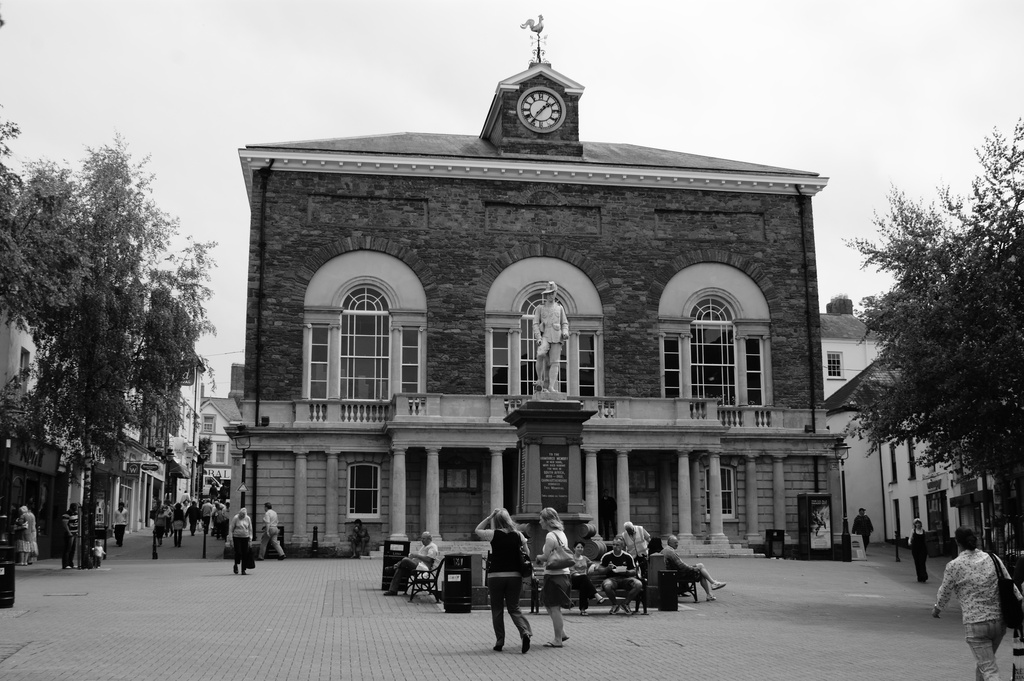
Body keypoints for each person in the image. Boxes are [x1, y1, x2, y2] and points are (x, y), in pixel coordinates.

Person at [933, 526, 1020, 681]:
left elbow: (945, 592)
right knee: (984, 663)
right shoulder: (992, 558)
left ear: (957, 542)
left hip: (975, 623)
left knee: (988, 668)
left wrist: (937, 609)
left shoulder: (954, 565)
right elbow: (1011, 585)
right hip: (998, 622)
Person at [475, 509, 533, 653]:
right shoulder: (518, 535)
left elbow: (477, 530)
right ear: (508, 519)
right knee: (514, 608)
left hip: (496, 576)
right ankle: (524, 632)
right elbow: (527, 554)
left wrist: (489, 517)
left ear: (497, 521)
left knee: (497, 609)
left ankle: (500, 641)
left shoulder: (493, 534)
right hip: (514, 575)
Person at [536, 507, 572, 647]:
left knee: (554, 607)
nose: (539, 522)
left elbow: (546, 557)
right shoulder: (561, 533)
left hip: (554, 575)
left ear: (547, 521)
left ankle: (558, 639)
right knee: (548, 604)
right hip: (563, 574)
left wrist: (538, 557)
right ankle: (561, 633)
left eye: (541, 519)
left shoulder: (550, 536)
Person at [660, 535, 727, 601]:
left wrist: (693, 567)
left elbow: (680, 565)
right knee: (700, 568)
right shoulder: (670, 552)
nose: (677, 544)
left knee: (701, 568)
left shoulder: (666, 550)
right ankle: (712, 585)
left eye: (677, 542)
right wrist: (694, 568)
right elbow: (682, 566)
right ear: (670, 543)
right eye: (675, 543)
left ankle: (710, 590)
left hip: (672, 573)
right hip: (677, 574)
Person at [532, 282, 569, 393]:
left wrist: (565, 332)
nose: (550, 295)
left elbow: (564, 323)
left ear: (555, 293)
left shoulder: (560, 308)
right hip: (545, 336)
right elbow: (535, 323)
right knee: (540, 354)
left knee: (555, 362)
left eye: (552, 293)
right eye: (548, 293)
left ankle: (551, 387)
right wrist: (538, 337)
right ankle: (539, 380)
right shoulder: (540, 308)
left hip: (557, 337)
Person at [385, 531, 439, 596]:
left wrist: (416, 555)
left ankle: (393, 567)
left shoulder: (432, 547)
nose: (422, 540)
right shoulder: (424, 546)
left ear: (429, 539)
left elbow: (429, 559)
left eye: (423, 539)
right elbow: (419, 557)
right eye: (421, 538)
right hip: (418, 566)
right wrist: (412, 557)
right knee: (400, 569)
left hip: (423, 569)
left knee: (405, 560)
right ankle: (393, 590)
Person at [600, 537, 643, 615]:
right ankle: (615, 604)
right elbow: (600, 569)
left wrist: (626, 572)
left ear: (622, 546)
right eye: (613, 545)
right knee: (607, 585)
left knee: (638, 584)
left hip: (625, 578)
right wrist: (607, 568)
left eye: (617, 545)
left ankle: (625, 603)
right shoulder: (607, 556)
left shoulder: (627, 556)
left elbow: (634, 571)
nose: (615, 547)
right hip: (611, 579)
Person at [569, 540, 606, 615]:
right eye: (578, 547)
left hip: (583, 581)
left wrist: (592, 566)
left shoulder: (585, 558)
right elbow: (572, 572)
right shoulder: (571, 558)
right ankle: (596, 595)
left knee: (584, 586)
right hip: (574, 580)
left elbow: (593, 564)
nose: (580, 549)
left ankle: (583, 610)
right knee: (584, 579)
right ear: (574, 548)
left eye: (582, 547)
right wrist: (582, 576)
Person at [229, 507, 254, 575]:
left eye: (243, 515)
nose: (242, 516)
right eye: (241, 514)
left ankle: (243, 569)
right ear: (239, 513)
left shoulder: (247, 518)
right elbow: (231, 528)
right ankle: (236, 564)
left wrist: (250, 539)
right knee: (238, 552)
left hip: (245, 537)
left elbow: (250, 529)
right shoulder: (236, 518)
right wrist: (230, 539)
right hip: (237, 537)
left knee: (245, 553)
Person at [908, 518, 928, 583]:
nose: (918, 524)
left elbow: (925, 540)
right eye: (916, 523)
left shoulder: (923, 531)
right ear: (915, 524)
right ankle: (919, 576)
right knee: (917, 562)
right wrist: (909, 542)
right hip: (915, 548)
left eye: (919, 523)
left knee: (922, 561)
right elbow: (910, 538)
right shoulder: (913, 531)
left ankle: (924, 576)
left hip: (923, 548)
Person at [62, 503, 80, 569]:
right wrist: (69, 532)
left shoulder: (76, 513)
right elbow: (65, 524)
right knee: (68, 548)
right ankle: (65, 564)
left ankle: (70, 563)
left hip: (74, 532)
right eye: (75, 508)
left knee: (73, 549)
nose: (76, 509)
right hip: (70, 533)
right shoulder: (67, 514)